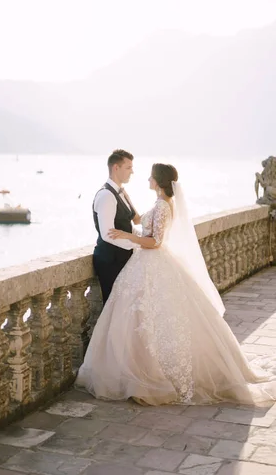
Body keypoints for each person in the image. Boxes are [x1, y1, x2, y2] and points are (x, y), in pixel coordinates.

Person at [76, 163, 276, 405]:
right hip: (146, 263)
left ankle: (149, 372)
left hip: (152, 261)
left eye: (151, 176)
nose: (147, 178)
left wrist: (128, 236)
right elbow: (141, 220)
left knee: (151, 316)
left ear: (159, 181)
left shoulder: (162, 206)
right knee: (143, 316)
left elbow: (155, 242)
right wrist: (126, 199)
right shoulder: (161, 203)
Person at [92, 149, 141, 305]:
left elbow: (130, 223)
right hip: (110, 261)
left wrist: (144, 238)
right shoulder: (106, 195)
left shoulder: (122, 193)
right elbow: (107, 234)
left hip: (123, 258)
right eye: (128, 168)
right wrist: (137, 244)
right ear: (116, 168)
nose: (132, 172)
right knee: (114, 308)